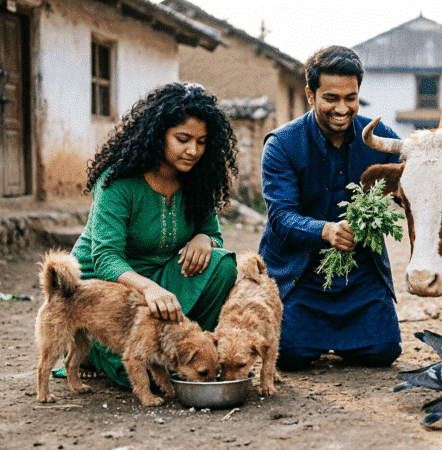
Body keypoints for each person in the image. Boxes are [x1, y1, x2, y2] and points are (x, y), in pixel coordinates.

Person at [55, 81, 239, 386]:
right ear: (157, 134)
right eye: (183, 139)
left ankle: (195, 352)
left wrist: (204, 239)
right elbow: (104, 257)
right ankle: (92, 350)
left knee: (223, 265)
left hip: (163, 279)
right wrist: (149, 290)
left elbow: (213, 235)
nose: (193, 150)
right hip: (108, 292)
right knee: (139, 373)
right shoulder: (120, 182)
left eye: (202, 142)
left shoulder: (199, 181)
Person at [259, 46, 403, 371]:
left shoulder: (380, 138)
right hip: (302, 272)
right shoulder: (281, 145)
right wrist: (326, 230)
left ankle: (347, 339)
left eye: (350, 98)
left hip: (360, 273)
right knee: (291, 356)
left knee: (383, 352)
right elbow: (281, 219)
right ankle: (316, 339)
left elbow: (412, 185)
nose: (342, 108)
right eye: (331, 98)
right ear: (311, 95)